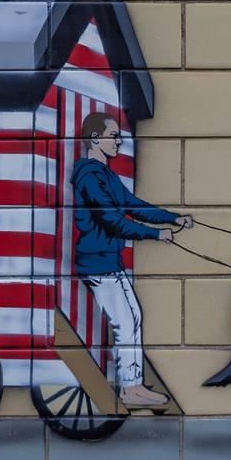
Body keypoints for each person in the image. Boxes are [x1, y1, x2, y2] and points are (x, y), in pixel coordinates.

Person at [70, 109, 189, 410]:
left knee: (132, 317)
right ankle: (130, 389)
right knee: (125, 321)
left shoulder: (105, 175)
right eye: (114, 137)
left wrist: (172, 218)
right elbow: (112, 220)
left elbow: (133, 205)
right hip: (97, 263)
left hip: (108, 261)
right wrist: (155, 234)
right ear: (95, 139)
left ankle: (133, 386)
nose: (119, 143)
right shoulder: (88, 176)